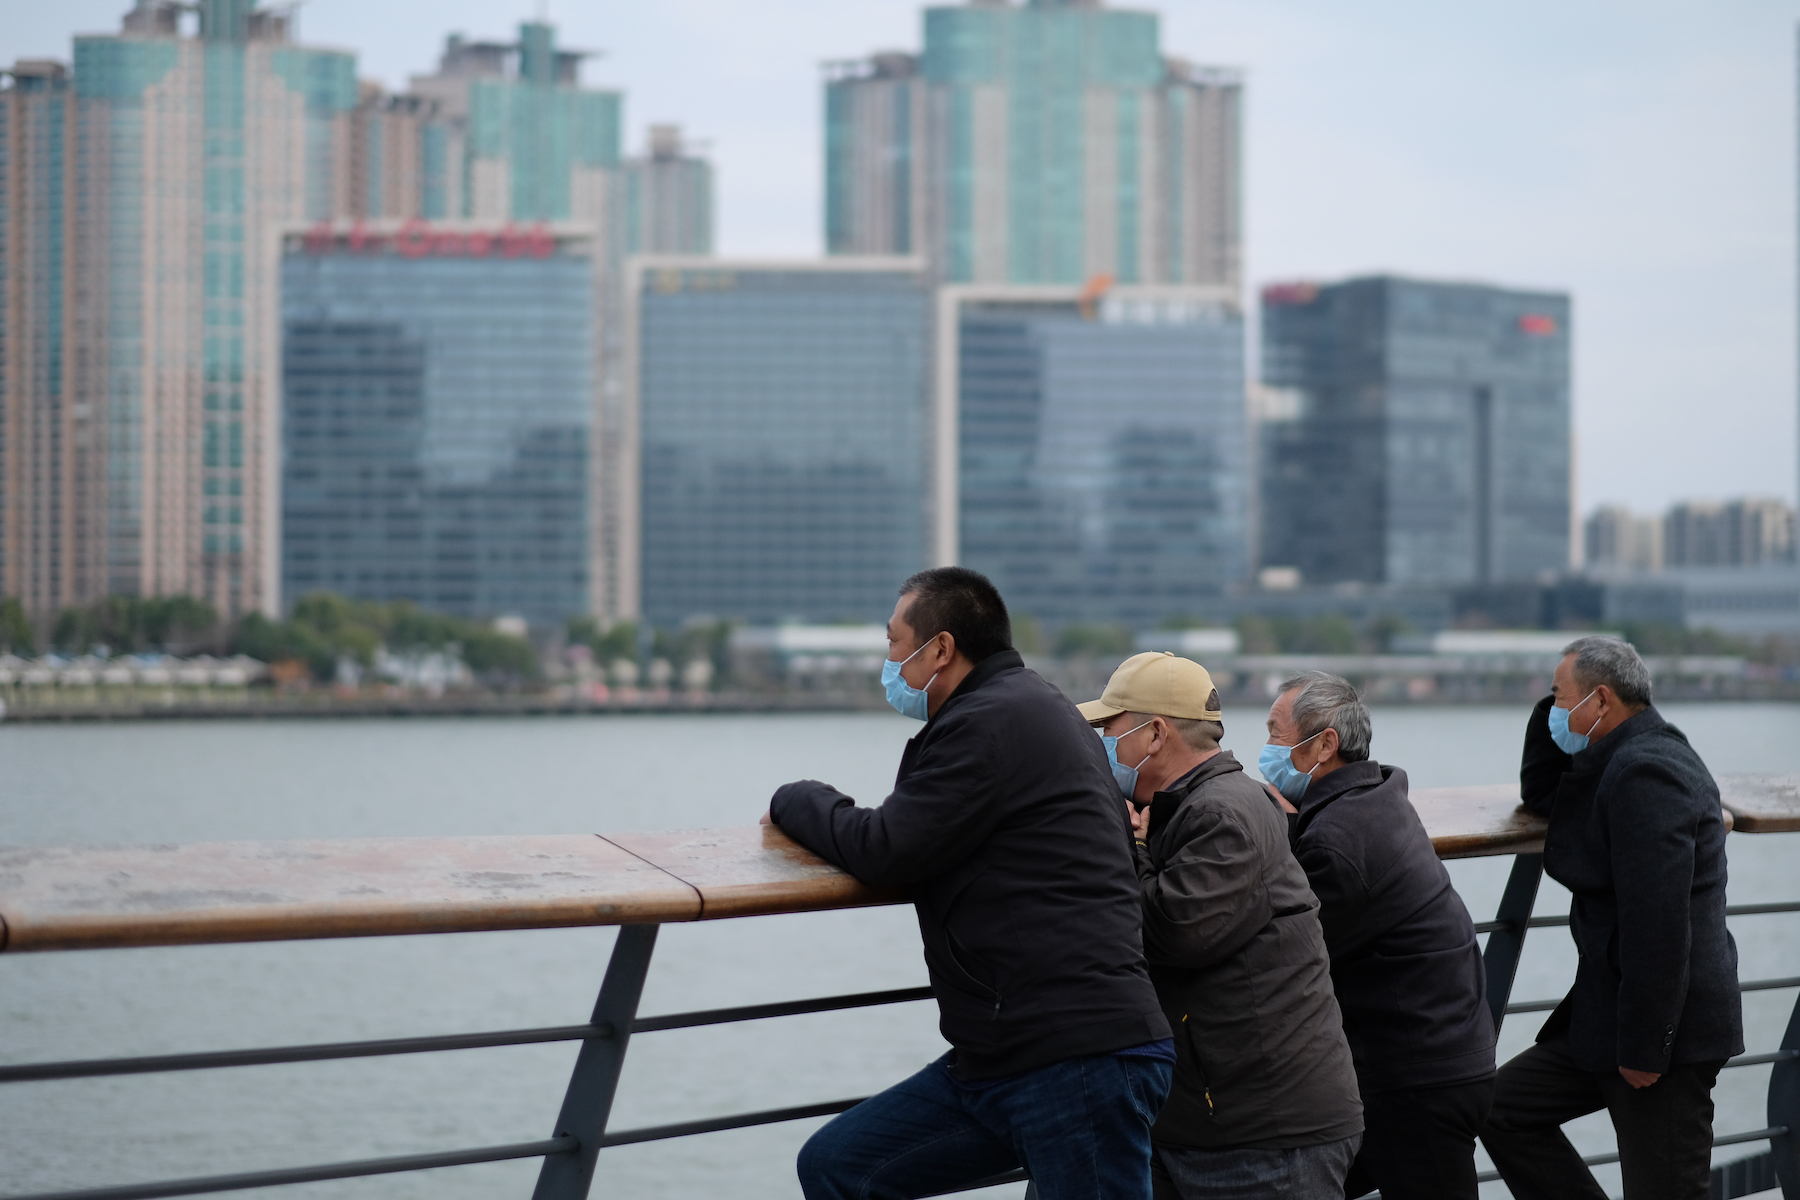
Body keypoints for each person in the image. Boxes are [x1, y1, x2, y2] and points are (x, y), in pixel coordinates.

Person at [766, 568, 1173, 1200]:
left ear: (941, 649)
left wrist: (797, 798)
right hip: (1001, 1057)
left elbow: (885, 848)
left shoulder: (992, 720)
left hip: (1076, 1055)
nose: (890, 661)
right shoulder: (1029, 707)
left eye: (895, 644)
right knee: (839, 1165)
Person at [1082, 651, 1363, 1200]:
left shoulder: (1223, 813)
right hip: (1210, 1120)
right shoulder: (1190, 804)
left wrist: (1127, 844)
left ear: (1155, 733)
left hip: (1268, 1136)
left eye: (1109, 728)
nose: (1101, 743)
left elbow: (1172, 931)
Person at [1480, 636, 1743, 1200]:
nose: (1554, 712)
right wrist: (1554, 704)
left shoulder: (1650, 772)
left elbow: (1661, 924)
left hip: (1664, 1032)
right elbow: (1544, 790)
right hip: (1608, 1015)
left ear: (1601, 702)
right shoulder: (1614, 757)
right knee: (1502, 1109)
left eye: (1561, 699)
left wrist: (1648, 1049)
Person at [1261, 671, 1495, 1200]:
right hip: (1446, 1053)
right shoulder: (1376, 798)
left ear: (1324, 744)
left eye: (1276, 733)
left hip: (1417, 1077)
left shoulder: (1338, 842)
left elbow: (1285, 951)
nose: (1266, 749)